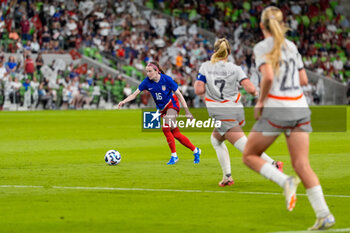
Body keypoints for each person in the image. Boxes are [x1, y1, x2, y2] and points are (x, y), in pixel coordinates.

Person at [242, 6, 335, 230]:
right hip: (301, 109)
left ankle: (285, 181)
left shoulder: (262, 46)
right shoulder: (291, 46)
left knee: (249, 155)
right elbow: (303, 79)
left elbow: (268, 77)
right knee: (302, 164)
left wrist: (261, 101)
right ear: (282, 23)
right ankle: (324, 214)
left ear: (261, 25)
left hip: (278, 109)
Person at [194, 38, 282, 187]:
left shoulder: (205, 67)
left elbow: (198, 90)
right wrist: (255, 94)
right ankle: (227, 176)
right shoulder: (236, 68)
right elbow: (251, 89)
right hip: (234, 110)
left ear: (214, 51)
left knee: (246, 147)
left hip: (221, 112)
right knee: (216, 140)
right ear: (228, 52)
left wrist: (209, 88)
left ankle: (273, 164)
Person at [118, 61, 201, 165]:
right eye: (147, 71)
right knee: (176, 134)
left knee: (165, 127)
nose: (148, 74)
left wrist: (187, 111)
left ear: (157, 71)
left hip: (172, 104)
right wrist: (123, 101)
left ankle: (174, 156)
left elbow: (179, 95)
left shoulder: (167, 80)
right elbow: (134, 94)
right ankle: (196, 150)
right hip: (162, 109)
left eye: (150, 71)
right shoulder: (147, 82)